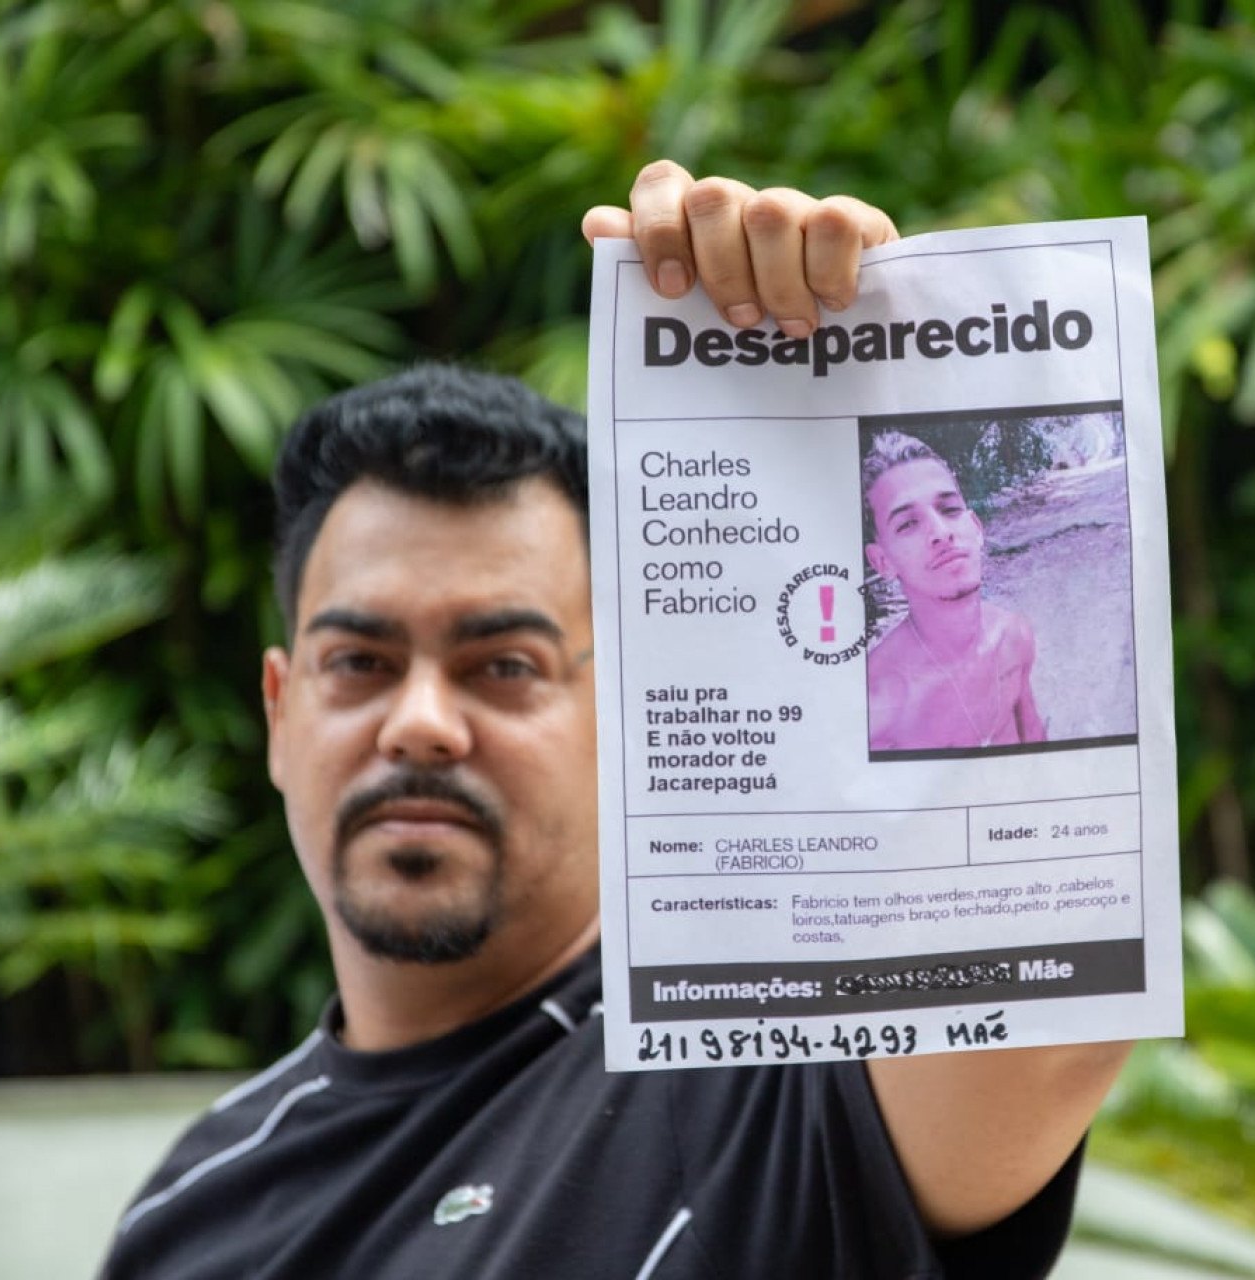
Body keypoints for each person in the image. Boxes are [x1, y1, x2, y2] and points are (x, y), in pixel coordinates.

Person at [100, 160, 1130, 1279]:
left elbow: (1050, 998)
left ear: (631, 702)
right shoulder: (191, 1218)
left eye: (504, 663)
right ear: (278, 709)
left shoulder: (775, 1069)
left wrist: (875, 366)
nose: (424, 723)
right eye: (360, 660)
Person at [863, 431, 1047, 752]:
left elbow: (1034, 740)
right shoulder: (877, 706)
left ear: (976, 529)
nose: (941, 533)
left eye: (949, 509)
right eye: (907, 524)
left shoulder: (1013, 635)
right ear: (882, 561)